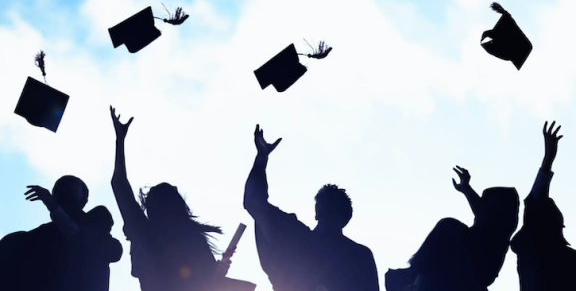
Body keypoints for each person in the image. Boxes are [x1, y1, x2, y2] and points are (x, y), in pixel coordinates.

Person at [110, 106, 234, 291]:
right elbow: (208, 281)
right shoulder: (189, 235)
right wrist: (218, 271)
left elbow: (119, 184)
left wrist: (120, 140)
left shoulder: (143, 230)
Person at [244, 125, 379, 291]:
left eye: (331, 208)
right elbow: (254, 203)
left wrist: (262, 158)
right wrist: (261, 158)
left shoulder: (297, 237)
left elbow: (254, 202)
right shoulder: (359, 255)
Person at [385, 166, 519, 291]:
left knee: (449, 226)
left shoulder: (497, 233)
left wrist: (467, 189)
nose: (480, 205)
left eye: (486, 204)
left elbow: (483, 213)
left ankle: (418, 283)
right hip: (461, 269)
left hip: (474, 272)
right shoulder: (476, 235)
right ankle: (417, 278)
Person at [0, 176, 122, 291]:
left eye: (69, 186)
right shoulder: (36, 236)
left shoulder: (97, 226)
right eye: (58, 189)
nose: (62, 190)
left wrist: (55, 208)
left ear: (83, 200)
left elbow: (102, 249)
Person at [511, 121, 576, 291]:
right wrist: (547, 160)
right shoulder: (564, 259)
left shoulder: (529, 253)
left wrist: (548, 159)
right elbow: (535, 202)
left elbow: (535, 202)